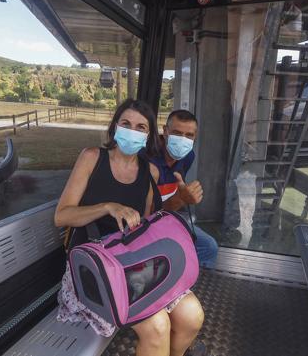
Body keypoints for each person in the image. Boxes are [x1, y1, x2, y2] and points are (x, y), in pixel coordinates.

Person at [54, 99, 206, 356]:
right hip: (93, 269)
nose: (132, 131)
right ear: (115, 127)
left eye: (141, 127)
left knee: (192, 315)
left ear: (148, 136)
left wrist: (180, 200)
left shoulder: (149, 172)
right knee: (158, 326)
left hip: (132, 265)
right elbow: (62, 216)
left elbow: (148, 227)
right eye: (126, 124)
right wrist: (106, 206)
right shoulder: (92, 158)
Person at [149, 109, 219, 269]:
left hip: (168, 217)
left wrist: (181, 196)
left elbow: (174, 191)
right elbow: (149, 214)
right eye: (177, 133)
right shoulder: (148, 159)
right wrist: (182, 198)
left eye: (189, 135)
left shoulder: (188, 156)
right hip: (147, 221)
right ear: (165, 132)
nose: (183, 140)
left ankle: (190, 282)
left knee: (209, 247)